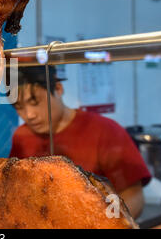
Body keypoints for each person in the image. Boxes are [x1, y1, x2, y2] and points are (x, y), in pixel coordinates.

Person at [8, 65, 151, 218]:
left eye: (35, 102)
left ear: (58, 88)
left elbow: (133, 195)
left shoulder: (105, 130)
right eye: (19, 107)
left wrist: (105, 224)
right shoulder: (21, 137)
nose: (29, 115)